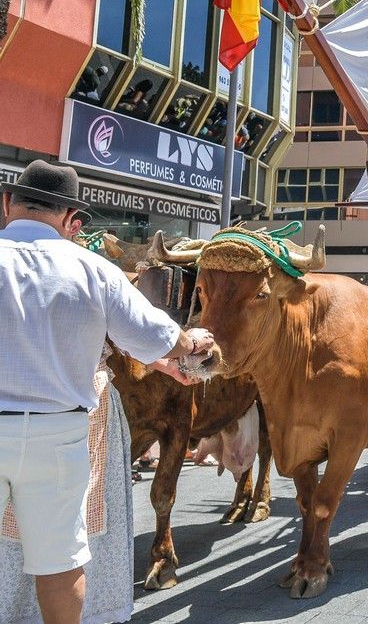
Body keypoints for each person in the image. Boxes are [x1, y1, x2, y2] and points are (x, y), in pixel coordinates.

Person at [0, 160, 214, 624]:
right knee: (59, 561)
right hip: (60, 436)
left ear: (7, 205)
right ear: (68, 218)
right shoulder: (93, 270)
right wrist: (192, 342)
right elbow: (155, 337)